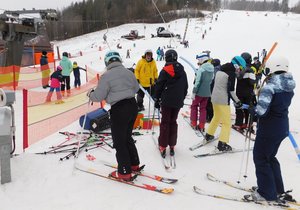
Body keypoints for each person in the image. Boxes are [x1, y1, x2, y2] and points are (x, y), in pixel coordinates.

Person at [249, 56, 296, 203]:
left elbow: (262, 111)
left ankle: (266, 193)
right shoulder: (288, 86)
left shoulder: (269, 87)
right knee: (270, 157)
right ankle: (276, 188)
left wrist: (253, 110)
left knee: (261, 158)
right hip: (282, 128)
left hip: (269, 129)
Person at [88, 50, 140, 181]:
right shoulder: (129, 72)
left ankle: (124, 172)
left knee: (119, 141)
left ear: (107, 62)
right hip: (132, 106)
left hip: (119, 109)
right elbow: (136, 89)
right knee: (127, 136)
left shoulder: (106, 76)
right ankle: (134, 164)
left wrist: (90, 94)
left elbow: (99, 96)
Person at [204, 56, 246, 151]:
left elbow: (212, 84)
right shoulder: (231, 74)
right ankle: (222, 144)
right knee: (227, 123)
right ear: (236, 65)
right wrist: (238, 101)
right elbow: (231, 91)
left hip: (214, 98)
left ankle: (208, 135)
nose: (240, 70)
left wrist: (212, 95)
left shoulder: (220, 70)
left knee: (216, 117)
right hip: (223, 100)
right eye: (240, 68)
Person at [154, 49, 188, 157]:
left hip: (167, 101)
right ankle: (172, 144)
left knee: (165, 122)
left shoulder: (165, 71)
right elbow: (185, 87)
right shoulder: (182, 71)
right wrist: (181, 98)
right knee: (173, 121)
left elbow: (159, 86)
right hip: (177, 101)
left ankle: (163, 145)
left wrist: (157, 99)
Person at [190, 53, 214, 133]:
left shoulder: (201, 69)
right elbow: (211, 80)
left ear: (202, 59)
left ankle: (193, 123)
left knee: (194, 106)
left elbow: (197, 82)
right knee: (203, 109)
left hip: (199, 92)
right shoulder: (212, 68)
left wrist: (194, 92)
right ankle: (201, 126)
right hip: (207, 92)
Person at [233, 52, 256, 131]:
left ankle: (238, 124)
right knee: (248, 109)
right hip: (249, 93)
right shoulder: (251, 69)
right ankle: (247, 124)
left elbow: (237, 77)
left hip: (239, 92)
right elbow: (253, 82)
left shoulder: (240, 68)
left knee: (239, 108)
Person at [206, 58, 221, 122]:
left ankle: (209, 117)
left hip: (211, 88)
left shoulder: (214, 70)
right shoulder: (221, 69)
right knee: (213, 103)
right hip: (218, 89)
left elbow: (211, 79)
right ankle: (213, 116)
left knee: (209, 103)